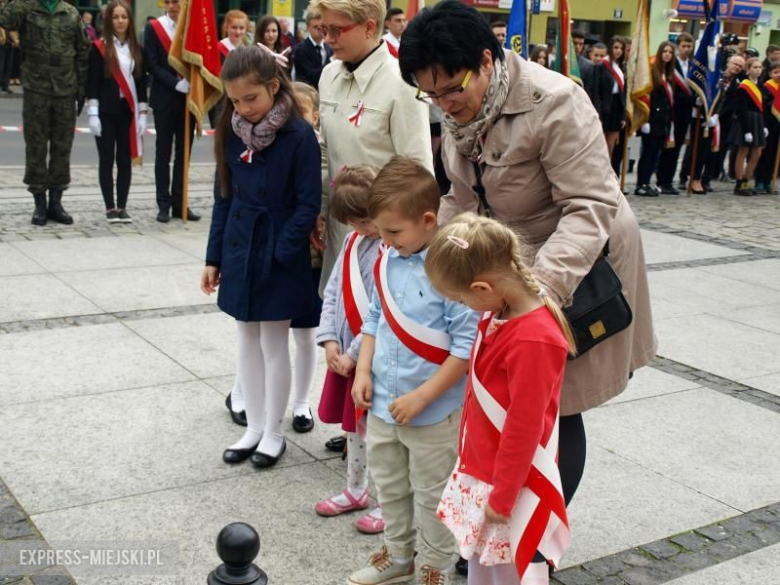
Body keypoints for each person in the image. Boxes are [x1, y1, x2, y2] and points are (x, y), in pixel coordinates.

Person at [398, 2, 655, 564]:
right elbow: (462, 198)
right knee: (501, 398)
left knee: (557, 404)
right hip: (506, 265)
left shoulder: (555, 101)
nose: (443, 106)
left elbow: (590, 206)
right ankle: (497, 519)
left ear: (485, 62)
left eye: (450, 92)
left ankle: (533, 539)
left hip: (576, 266)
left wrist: (539, 296)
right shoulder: (458, 108)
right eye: (431, 96)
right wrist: (430, 252)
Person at [348, 156, 479, 585]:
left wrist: (424, 396)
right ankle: (399, 555)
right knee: (389, 487)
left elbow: (465, 347)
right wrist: (363, 371)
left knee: (433, 494)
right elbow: (374, 317)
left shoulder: (450, 270)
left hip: (433, 412)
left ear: (427, 220)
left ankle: (436, 566)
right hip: (384, 402)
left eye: (393, 232)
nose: (383, 240)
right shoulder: (387, 257)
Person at [427, 213, 575, 584]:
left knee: (508, 571)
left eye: (461, 298)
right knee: (481, 562)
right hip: (486, 468)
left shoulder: (532, 339)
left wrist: (504, 496)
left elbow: (523, 427)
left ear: (482, 288)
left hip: (507, 481)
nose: (463, 306)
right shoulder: (500, 311)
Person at [203, 46, 321, 468]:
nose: (242, 108)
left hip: (277, 251)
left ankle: (273, 433)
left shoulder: (298, 135)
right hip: (240, 247)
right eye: (234, 101)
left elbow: (308, 204)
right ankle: (252, 426)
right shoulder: (231, 131)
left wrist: (280, 252)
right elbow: (224, 197)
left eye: (250, 98)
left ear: (273, 86)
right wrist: (213, 256)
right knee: (246, 342)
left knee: (274, 344)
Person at [309, 0, 433, 297]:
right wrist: (320, 210)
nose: (328, 38)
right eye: (325, 29)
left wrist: (401, 236)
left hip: (383, 240)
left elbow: (417, 171)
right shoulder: (329, 75)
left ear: (369, 27)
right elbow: (325, 152)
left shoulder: (402, 83)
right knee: (335, 328)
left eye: (338, 30)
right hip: (339, 234)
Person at [314, 165, 385, 535]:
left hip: (374, 360)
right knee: (354, 432)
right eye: (356, 223)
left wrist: (354, 354)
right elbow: (331, 294)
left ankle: (390, 504)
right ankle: (356, 489)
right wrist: (329, 342)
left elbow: (381, 311)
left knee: (382, 435)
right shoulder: (352, 243)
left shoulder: (390, 249)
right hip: (344, 356)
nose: (364, 229)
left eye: (368, 221)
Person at [0, 0, 89, 226]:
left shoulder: (70, 13)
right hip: (36, 88)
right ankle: (39, 202)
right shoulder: (27, 9)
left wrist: (81, 90)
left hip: (65, 87)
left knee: (62, 147)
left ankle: (56, 202)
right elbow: (5, 19)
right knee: (36, 146)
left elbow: (82, 51)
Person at [86, 0, 147, 224]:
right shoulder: (98, 47)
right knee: (107, 159)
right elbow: (92, 81)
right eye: (116, 17)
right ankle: (109, 207)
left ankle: (122, 206)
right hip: (105, 111)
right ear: (109, 20)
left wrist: (142, 113)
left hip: (127, 111)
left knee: (124, 159)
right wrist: (92, 111)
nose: (120, 21)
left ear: (129, 20)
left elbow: (141, 81)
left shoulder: (136, 49)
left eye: (124, 17)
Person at [144, 0, 200, 223]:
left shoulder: (191, 27)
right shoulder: (154, 27)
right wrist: (175, 83)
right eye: (168, 2)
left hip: (188, 100)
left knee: (184, 156)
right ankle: (163, 204)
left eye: (176, 2)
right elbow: (152, 63)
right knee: (163, 154)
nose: (172, 6)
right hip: (165, 98)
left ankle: (180, 203)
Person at [634, 41, 675, 197]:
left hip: (663, 119)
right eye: (664, 51)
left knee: (656, 154)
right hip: (652, 119)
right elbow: (648, 96)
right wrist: (645, 120)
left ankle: (648, 182)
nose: (667, 54)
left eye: (670, 52)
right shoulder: (653, 71)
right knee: (648, 153)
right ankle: (641, 183)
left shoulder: (669, 73)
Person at [658, 33, 694, 195]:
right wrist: (690, 99)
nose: (686, 49)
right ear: (678, 47)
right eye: (683, 46)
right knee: (667, 148)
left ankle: (669, 181)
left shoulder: (694, 65)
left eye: (689, 46)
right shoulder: (673, 65)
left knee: (677, 148)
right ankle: (661, 180)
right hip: (672, 111)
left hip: (685, 115)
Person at [730, 57, 767, 196]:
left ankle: (747, 179)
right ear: (748, 69)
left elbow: (764, 107)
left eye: (759, 68)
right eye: (755, 67)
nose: (758, 70)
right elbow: (742, 108)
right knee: (743, 151)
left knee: (757, 152)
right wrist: (746, 130)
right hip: (746, 120)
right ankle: (739, 183)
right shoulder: (744, 86)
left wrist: (764, 125)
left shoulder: (761, 85)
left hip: (758, 120)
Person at [594, 36, 626, 161]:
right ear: (610, 48)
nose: (618, 51)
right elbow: (596, 92)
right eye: (616, 47)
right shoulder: (602, 66)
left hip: (617, 107)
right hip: (604, 108)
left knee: (610, 146)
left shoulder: (622, 67)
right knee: (600, 145)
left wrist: (623, 115)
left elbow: (624, 93)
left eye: (621, 48)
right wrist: (598, 113)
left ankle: (607, 174)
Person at [755, 61, 780, 193]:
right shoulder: (765, 87)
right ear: (770, 73)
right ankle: (759, 181)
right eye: (775, 72)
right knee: (764, 154)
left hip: (778, 126)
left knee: (775, 155)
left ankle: (769, 181)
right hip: (767, 125)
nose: (778, 75)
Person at [293, 8, 333, 88]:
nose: (319, 30)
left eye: (322, 26)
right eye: (315, 27)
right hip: (307, 95)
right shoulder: (300, 49)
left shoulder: (329, 48)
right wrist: (332, 60)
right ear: (308, 28)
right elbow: (311, 76)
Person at [572, 29, 595, 104]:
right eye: (574, 43)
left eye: (581, 44)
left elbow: (588, 91)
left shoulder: (588, 65)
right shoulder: (557, 62)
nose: (577, 46)